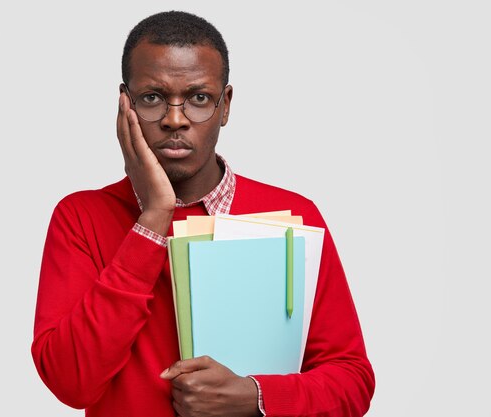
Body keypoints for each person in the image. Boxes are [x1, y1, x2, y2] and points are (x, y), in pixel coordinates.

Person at [32, 10, 375, 417]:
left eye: (198, 98)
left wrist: (256, 397)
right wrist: (154, 219)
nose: (174, 120)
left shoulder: (294, 215)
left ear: (225, 105)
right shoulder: (81, 217)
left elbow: (353, 381)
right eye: (152, 98)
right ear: (125, 104)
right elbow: (72, 382)